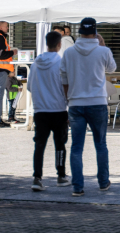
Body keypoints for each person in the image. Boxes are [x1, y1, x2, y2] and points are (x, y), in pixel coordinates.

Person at [60, 17, 116, 196]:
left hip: (76, 104)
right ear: (95, 32)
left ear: (79, 33)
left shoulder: (69, 52)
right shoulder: (103, 51)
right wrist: (103, 44)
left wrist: (68, 100)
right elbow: (112, 69)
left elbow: (63, 79)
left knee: (76, 147)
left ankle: (77, 187)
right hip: (98, 103)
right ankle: (103, 182)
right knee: (100, 144)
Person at [27, 31, 71, 191]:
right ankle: (61, 176)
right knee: (60, 144)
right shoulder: (61, 64)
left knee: (39, 145)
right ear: (59, 45)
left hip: (40, 110)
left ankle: (37, 178)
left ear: (46, 43)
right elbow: (66, 87)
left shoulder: (35, 64)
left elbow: (30, 86)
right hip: (58, 110)